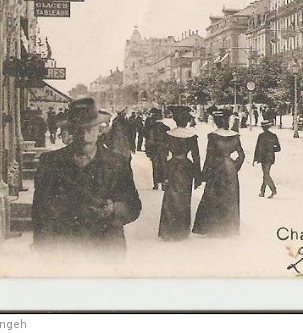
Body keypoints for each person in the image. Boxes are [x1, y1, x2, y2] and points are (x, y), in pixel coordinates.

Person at [31, 97, 142, 256]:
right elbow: (39, 210)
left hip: (106, 250)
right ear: (70, 130)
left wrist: (114, 210)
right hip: (65, 251)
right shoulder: (50, 162)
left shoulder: (118, 163)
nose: (84, 135)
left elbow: (133, 206)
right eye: (78, 129)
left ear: (100, 129)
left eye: (90, 129)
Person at [193, 108, 245, 237]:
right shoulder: (235, 136)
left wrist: (203, 175)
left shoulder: (213, 136)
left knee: (214, 197)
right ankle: (228, 228)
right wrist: (234, 166)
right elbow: (241, 155)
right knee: (229, 197)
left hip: (217, 168)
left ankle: (213, 228)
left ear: (216, 122)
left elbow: (209, 157)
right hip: (230, 170)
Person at [158, 106, 201, 241]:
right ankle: (181, 231)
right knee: (184, 199)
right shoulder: (192, 136)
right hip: (187, 168)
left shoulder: (168, 135)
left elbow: (163, 156)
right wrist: (198, 176)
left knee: (170, 199)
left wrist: (163, 175)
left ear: (175, 120)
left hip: (172, 166)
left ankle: (169, 231)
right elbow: (196, 157)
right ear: (187, 120)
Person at [253, 119, 282, 198]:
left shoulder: (262, 136)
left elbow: (257, 148)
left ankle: (273, 190)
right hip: (269, 157)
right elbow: (278, 148)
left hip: (264, 157)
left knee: (266, 174)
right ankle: (262, 192)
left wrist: (255, 158)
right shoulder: (272, 136)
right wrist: (272, 150)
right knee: (265, 174)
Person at [144, 109, 170, 190]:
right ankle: (163, 184)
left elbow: (147, 139)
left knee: (155, 166)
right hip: (163, 150)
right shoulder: (166, 128)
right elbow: (168, 140)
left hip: (153, 150)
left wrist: (147, 150)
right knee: (164, 166)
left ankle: (156, 184)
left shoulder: (150, 128)